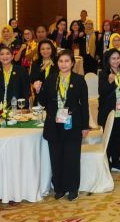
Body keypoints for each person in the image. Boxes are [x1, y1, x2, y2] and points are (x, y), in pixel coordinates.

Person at [33, 50, 89, 201]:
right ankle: (59, 187)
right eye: (60, 61)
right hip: (54, 124)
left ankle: (72, 188)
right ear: (57, 63)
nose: (63, 64)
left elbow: (84, 105)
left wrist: (85, 126)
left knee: (72, 157)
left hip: (73, 124)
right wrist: (38, 91)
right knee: (56, 157)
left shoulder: (79, 80)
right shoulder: (51, 79)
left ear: (72, 63)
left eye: (67, 61)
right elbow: (44, 103)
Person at [98, 49, 120, 172]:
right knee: (109, 137)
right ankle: (107, 162)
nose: (116, 61)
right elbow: (102, 92)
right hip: (109, 111)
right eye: (113, 58)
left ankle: (116, 162)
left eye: (118, 58)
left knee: (118, 137)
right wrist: (109, 82)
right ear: (108, 60)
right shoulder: (103, 73)